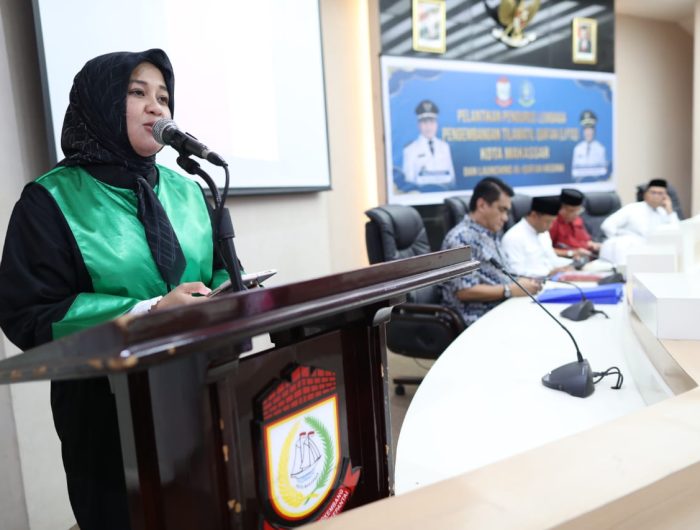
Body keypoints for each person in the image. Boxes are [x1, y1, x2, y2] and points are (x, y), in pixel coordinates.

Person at [0, 49, 230, 529]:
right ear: (101, 103)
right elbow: (29, 312)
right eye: (137, 92)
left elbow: (223, 273)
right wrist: (148, 311)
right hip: (106, 415)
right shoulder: (50, 199)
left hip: (199, 393)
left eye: (163, 96)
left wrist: (227, 295)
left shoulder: (189, 190)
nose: (157, 107)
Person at [439, 177, 542, 326]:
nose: (505, 218)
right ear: (482, 205)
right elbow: (464, 291)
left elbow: (502, 275)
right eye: (502, 210)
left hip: (502, 309)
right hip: (476, 318)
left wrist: (523, 283)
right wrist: (509, 290)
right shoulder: (461, 238)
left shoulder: (489, 233)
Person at [599, 179, 679, 265]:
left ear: (665, 196)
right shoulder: (633, 208)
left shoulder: (664, 212)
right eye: (653, 192)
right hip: (627, 250)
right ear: (645, 194)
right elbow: (607, 225)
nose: (656, 196)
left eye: (660, 193)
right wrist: (617, 240)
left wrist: (669, 211)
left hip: (652, 253)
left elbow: (676, 232)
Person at [502, 196, 572, 278]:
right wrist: (547, 273)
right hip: (532, 282)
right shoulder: (513, 237)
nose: (550, 226)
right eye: (548, 222)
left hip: (553, 279)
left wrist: (570, 264)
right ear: (534, 215)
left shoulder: (543, 232)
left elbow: (552, 259)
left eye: (552, 222)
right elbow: (515, 271)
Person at [402, 99, 455, 188]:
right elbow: (409, 183)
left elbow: (452, 179)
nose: (428, 127)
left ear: (437, 124)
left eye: (432, 122)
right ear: (418, 125)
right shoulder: (410, 150)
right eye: (424, 122)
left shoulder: (445, 147)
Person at [549, 188, 600, 259]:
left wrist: (591, 244)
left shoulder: (577, 219)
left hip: (587, 257)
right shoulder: (551, 223)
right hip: (567, 260)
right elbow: (546, 250)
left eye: (579, 210)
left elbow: (585, 240)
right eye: (573, 211)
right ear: (562, 209)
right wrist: (571, 253)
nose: (577, 214)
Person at [571, 110, 607, 179]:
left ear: (594, 131)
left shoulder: (600, 149)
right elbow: (574, 173)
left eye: (590, 129)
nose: (588, 133)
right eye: (586, 130)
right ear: (583, 131)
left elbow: (603, 172)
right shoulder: (577, 149)